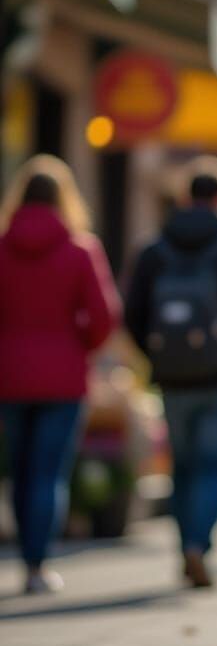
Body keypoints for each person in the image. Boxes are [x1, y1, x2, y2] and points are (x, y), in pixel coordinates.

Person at [123, 158, 217, 587]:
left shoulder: (153, 250)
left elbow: (132, 315)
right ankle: (198, 546)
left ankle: (184, 545)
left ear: (187, 197)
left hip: (173, 379)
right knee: (214, 467)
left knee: (183, 465)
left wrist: (156, 355)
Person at [0, 156, 121, 593]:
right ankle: (37, 566)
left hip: (10, 376)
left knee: (20, 468)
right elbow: (105, 316)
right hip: (64, 377)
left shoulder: (2, 246)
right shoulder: (80, 248)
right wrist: (79, 345)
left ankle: (24, 555)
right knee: (49, 472)